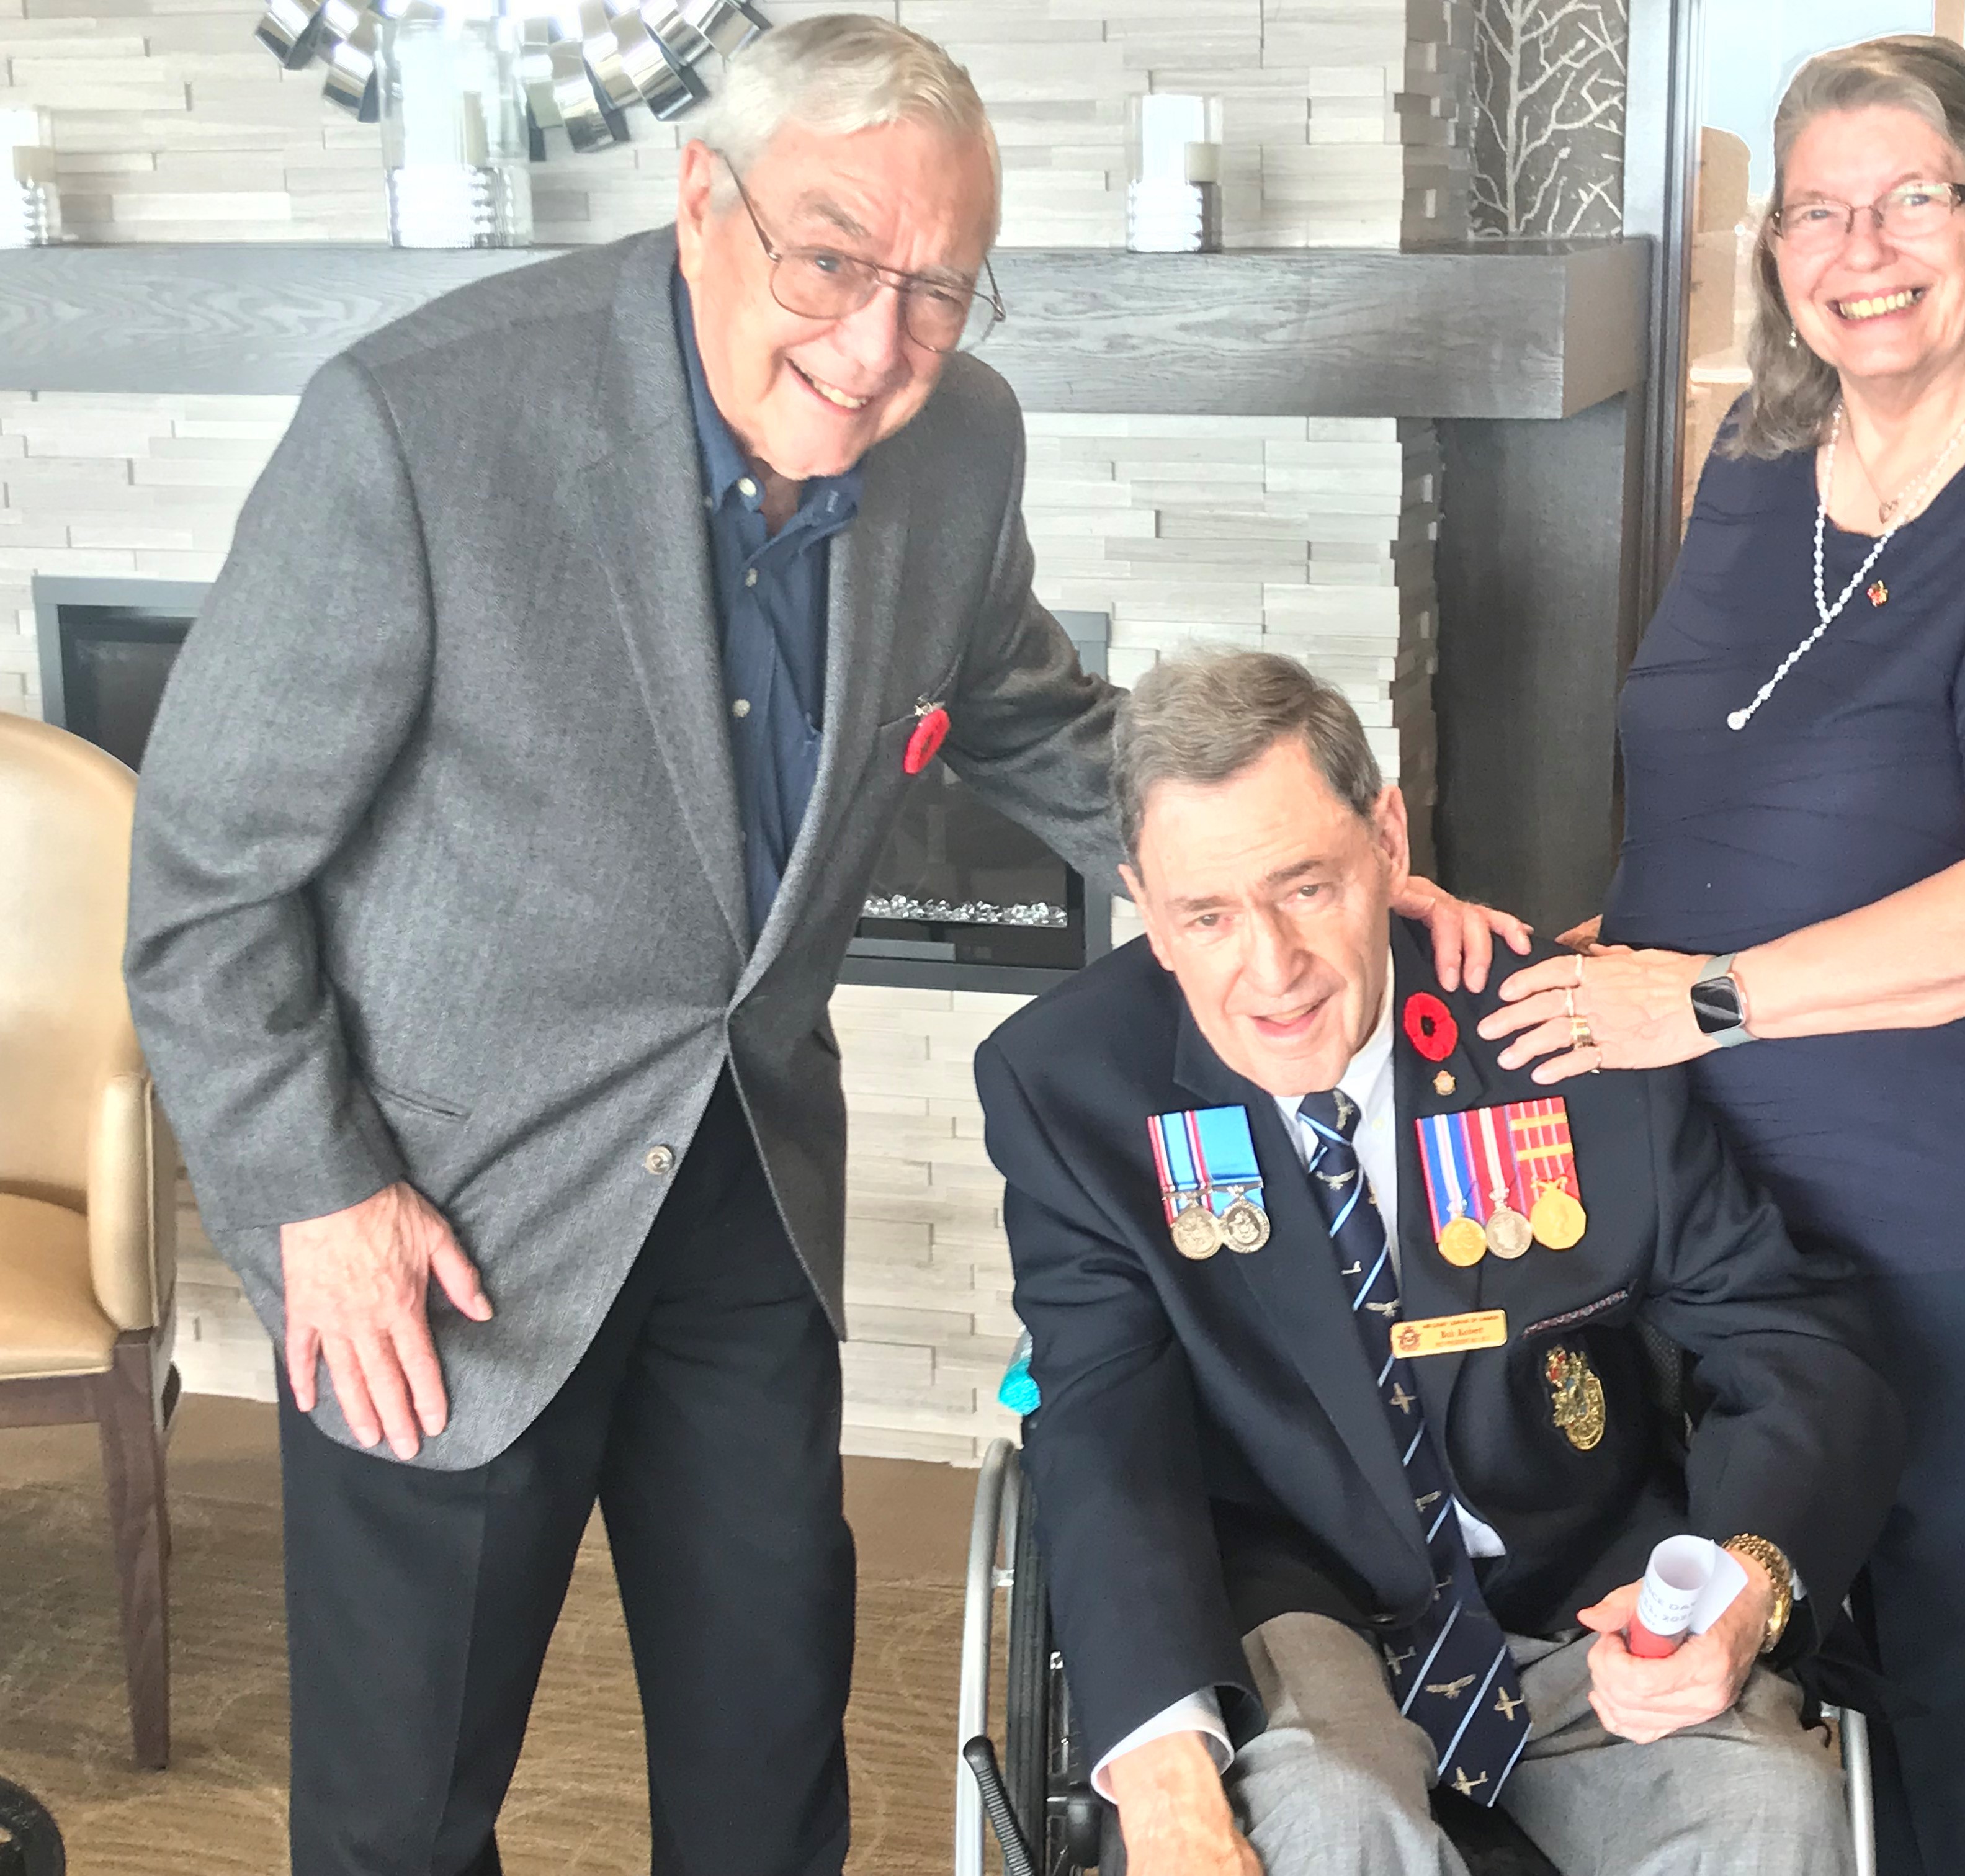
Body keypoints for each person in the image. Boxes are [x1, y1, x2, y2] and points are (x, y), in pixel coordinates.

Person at [120, 20, 1512, 1874]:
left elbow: (1025, 717)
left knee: (771, 1772)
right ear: (707, 201)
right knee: (402, 1813)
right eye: (835, 261)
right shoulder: (421, 426)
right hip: (437, 1220)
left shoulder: (959, 442)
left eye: (938, 292)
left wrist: (1284, 869)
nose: (876, 349)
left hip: (744, 1192)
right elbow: (207, 868)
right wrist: (318, 1194)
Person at [1477, 36, 1965, 1876]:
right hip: (1731, 1200)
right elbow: (1722, 808)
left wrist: (1698, 998)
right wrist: (1571, 961)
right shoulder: (1763, 454)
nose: (1861, 248)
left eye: (1911, 200)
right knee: (1755, 1644)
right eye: (1817, 208)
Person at [978, 650, 1904, 1876]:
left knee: (1771, 1813)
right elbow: (1099, 1423)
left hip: (1582, 1590)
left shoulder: (1557, 1032)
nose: (1270, 968)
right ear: (1145, 900)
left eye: (1307, 888)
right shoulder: (1073, 1088)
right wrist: (1161, 1775)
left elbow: (1791, 1334)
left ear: (1388, 840)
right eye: (1206, 916)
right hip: (1286, 1601)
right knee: (1320, 1823)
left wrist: (1752, 1578)